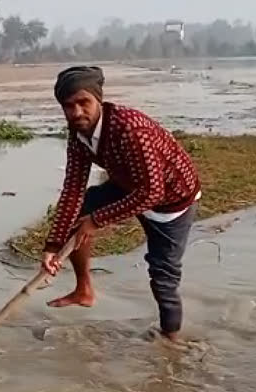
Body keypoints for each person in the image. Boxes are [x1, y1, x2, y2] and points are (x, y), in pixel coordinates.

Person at [42, 65, 201, 346]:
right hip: (129, 184)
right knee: (81, 209)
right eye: (69, 106)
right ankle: (84, 290)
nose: (77, 112)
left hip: (172, 199)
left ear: (98, 100)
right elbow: (72, 189)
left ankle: (171, 343)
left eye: (84, 103)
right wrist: (53, 246)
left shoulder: (130, 130)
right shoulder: (77, 134)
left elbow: (152, 193)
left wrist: (96, 220)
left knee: (162, 276)